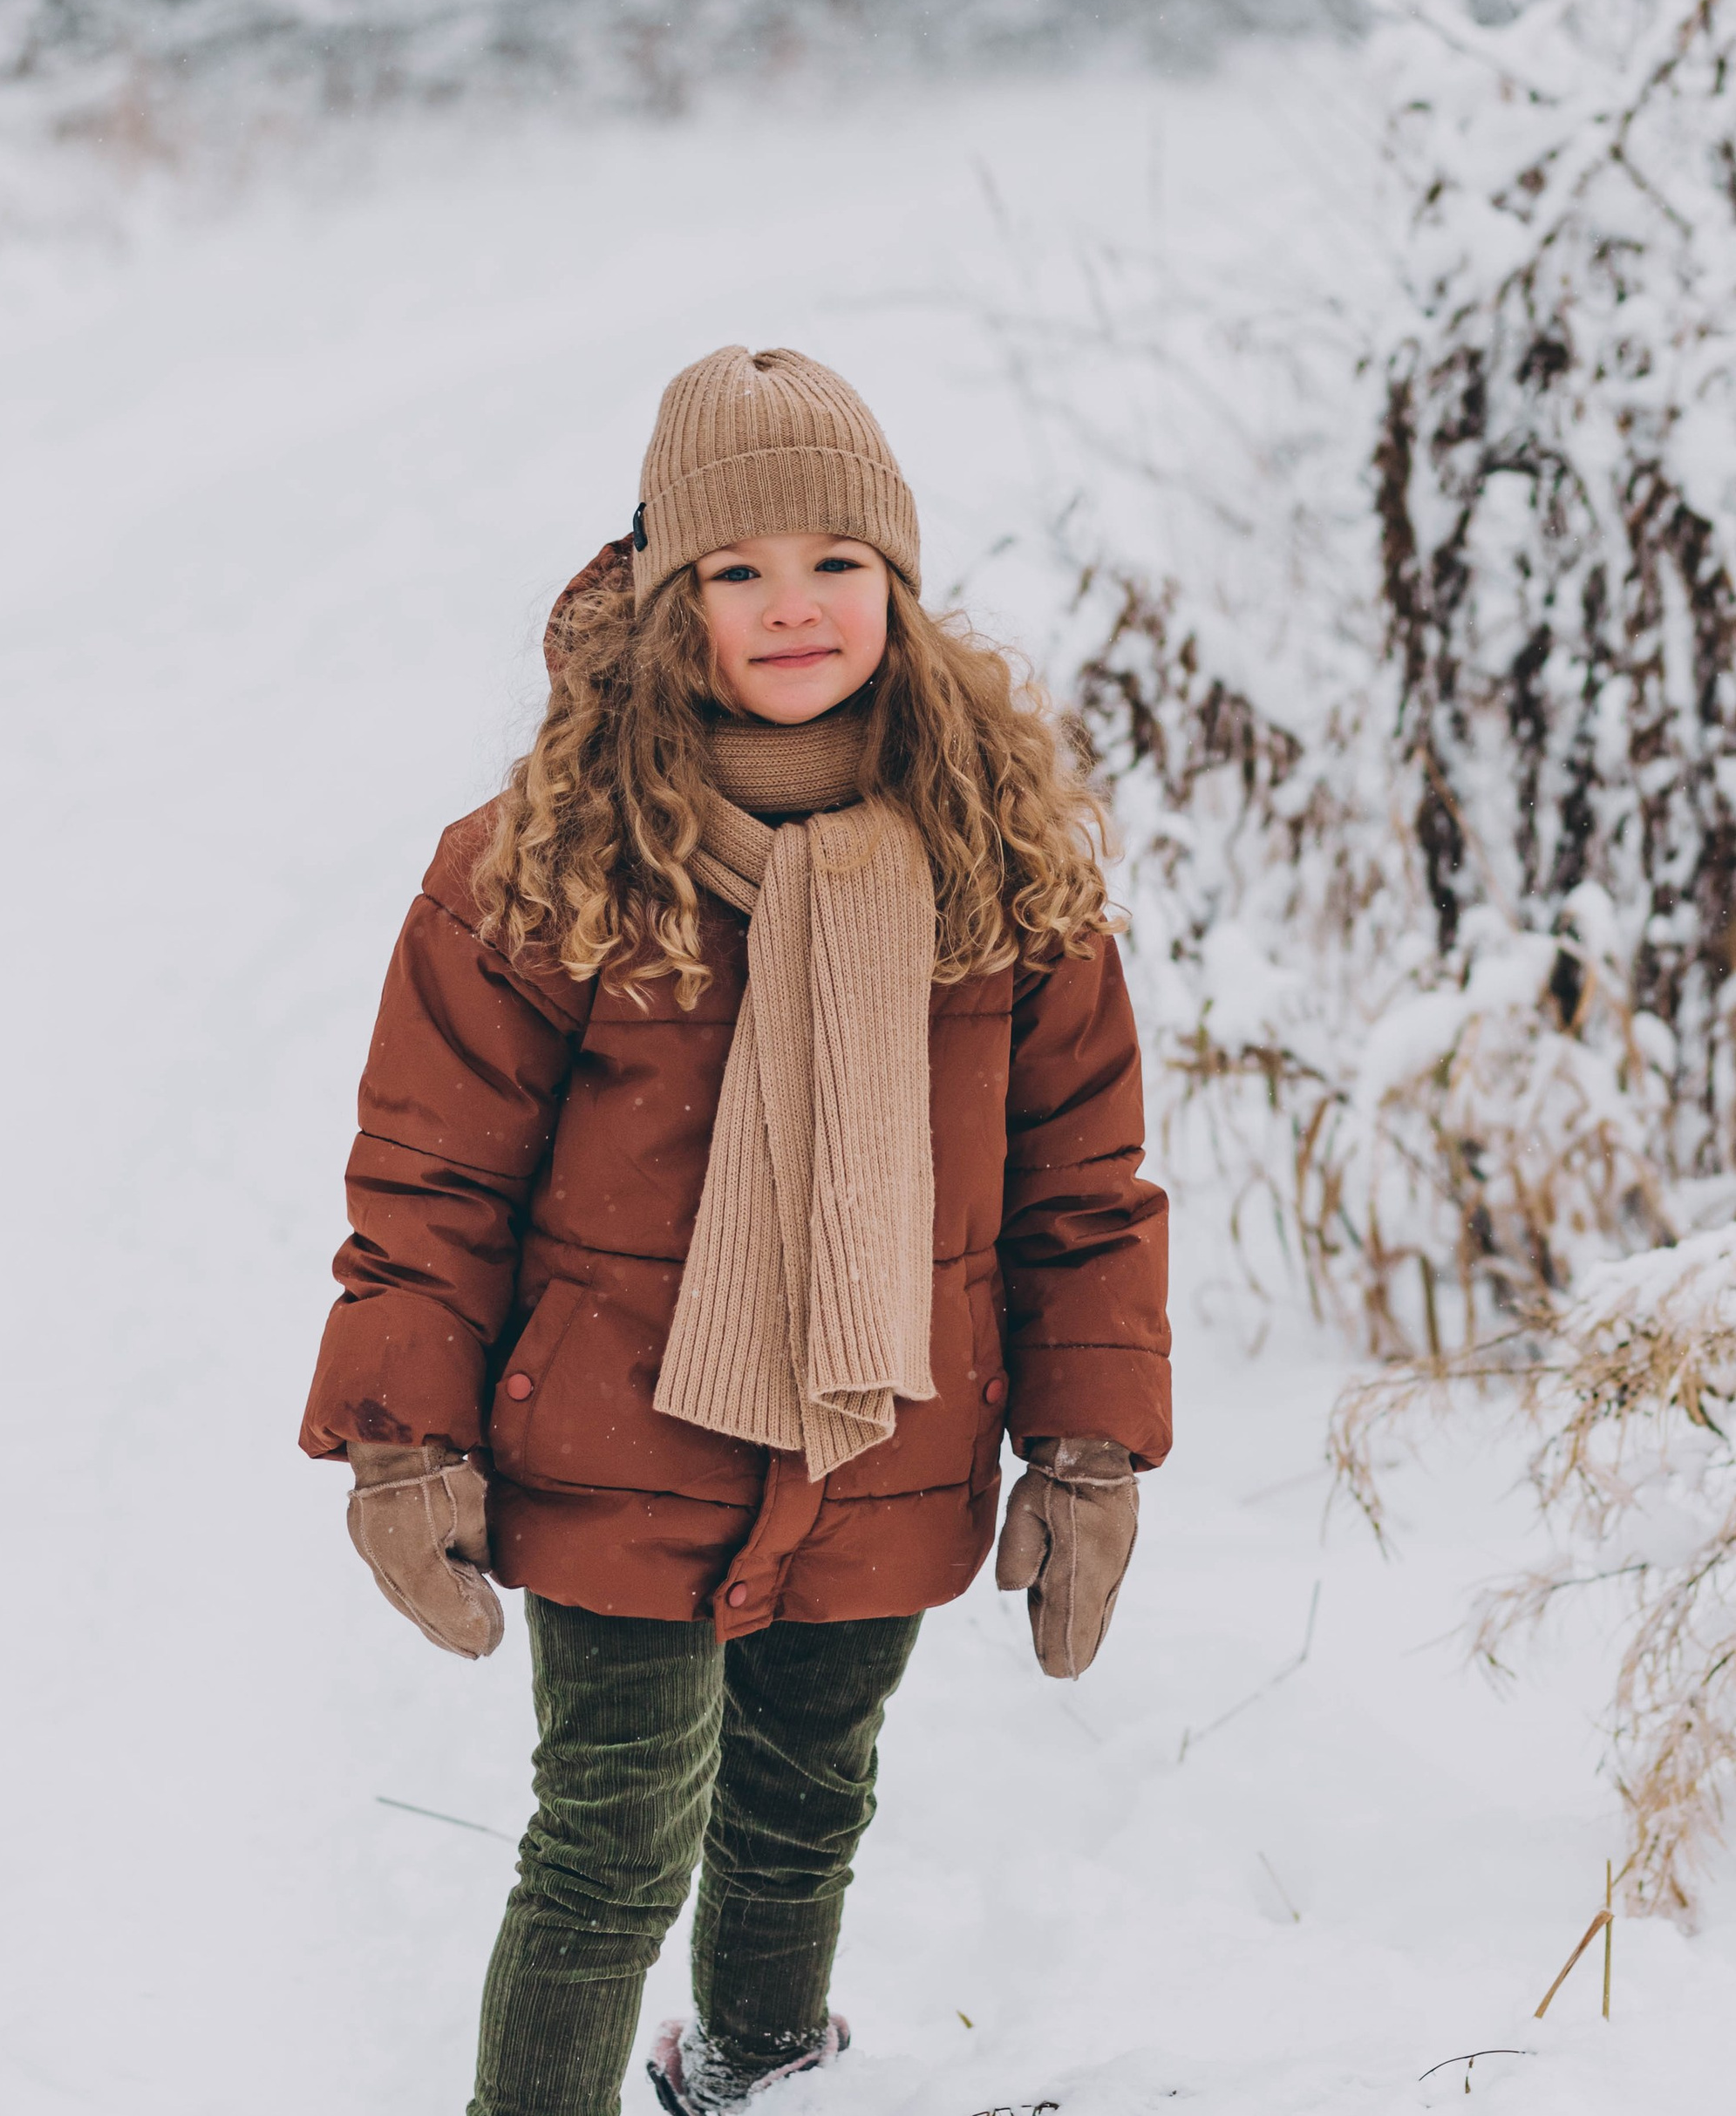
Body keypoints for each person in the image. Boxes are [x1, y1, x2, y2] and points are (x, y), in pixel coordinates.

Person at [301, 347, 1171, 2116]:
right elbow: (431, 1180)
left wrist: (1085, 1451)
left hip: (894, 1427)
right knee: (613, 1832)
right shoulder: (539, 861)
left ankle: (762, 2085)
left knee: (802, 1803)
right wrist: (403, 1443)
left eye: (832, 562)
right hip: (625, 1435)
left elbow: (1079, 1184)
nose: (791, 606)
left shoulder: (996, 859)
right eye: (736, 568)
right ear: (662, 592)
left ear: (896, 588)